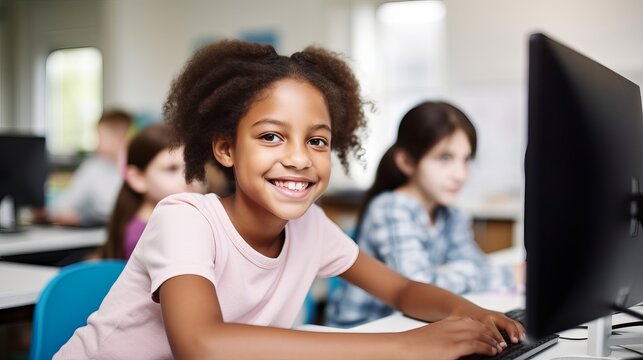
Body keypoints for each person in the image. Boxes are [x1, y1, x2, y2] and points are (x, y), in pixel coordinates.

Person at [55, 40, 524, 359]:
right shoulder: (185, 219)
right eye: (272, 136)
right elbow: (201, 344)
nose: (299, 158)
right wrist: (410, 344)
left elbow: (400, 290)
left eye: (317, 142)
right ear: (225, 149)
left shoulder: (310, 227)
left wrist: (476, 313)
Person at [325, 101, 523, 328]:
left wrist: (465, 272)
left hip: (410, 325)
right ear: (407, 162)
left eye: (466, 160)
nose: (460, 174)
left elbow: (474, 263)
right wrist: (505, 275)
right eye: (445, 158)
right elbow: (421, 286)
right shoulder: (391, 208)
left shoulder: (451, 213)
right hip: (365, 329)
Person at [101, 122, 204, 260]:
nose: (189, 178)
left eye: (192, 167)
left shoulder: (185, 220)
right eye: (171, 169)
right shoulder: (143, 237)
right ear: (137, 178)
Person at [48, 108, 133, 226]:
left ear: (119, 137)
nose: (96, 143)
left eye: (101, 136)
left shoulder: (137, 168)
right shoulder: (92, 167)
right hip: (99, 230)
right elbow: (64, 204)